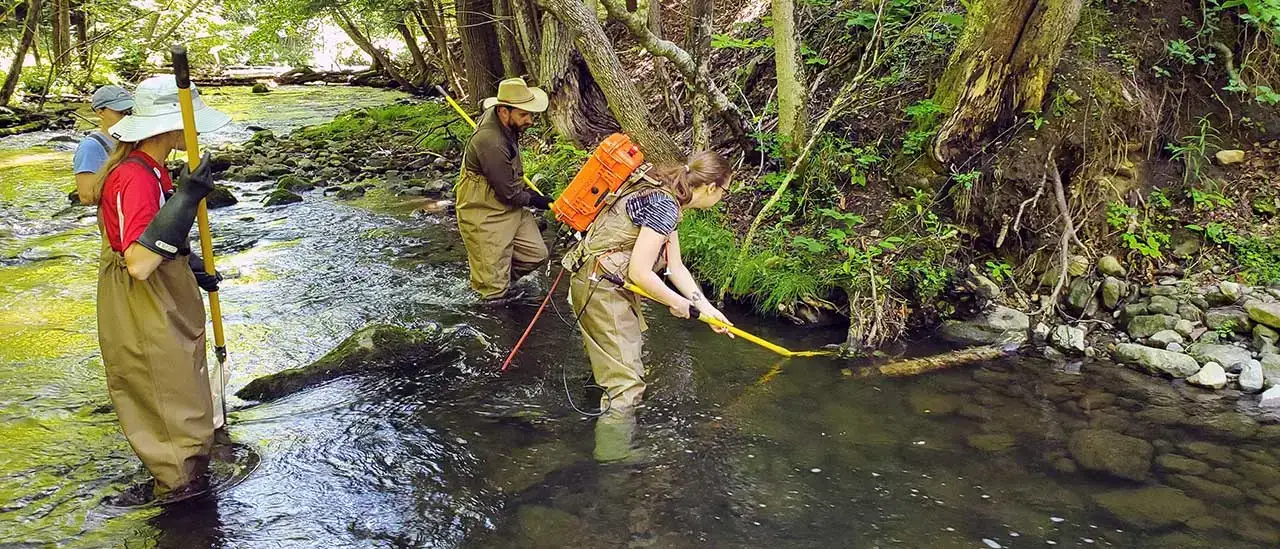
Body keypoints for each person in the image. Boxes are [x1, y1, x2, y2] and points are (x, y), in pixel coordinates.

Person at [93, 74, 230, 502]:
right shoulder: (134, 177)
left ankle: (185, 486)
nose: (197, 133)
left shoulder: (151, 171)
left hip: (161, 293)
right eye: (191, 125)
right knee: (169, 404)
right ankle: (181, 504)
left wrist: (190, 263)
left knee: (182, 395)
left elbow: (154, 236)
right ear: (171, 126)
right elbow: (138, 262)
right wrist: (187, 198)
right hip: (143, 300)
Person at [561, 150, 735, 462]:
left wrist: (707, 310)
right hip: (602, 290)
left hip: (592, 280)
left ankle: (589, 427)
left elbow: (675, 267)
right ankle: (613, 460)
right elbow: (640, 272)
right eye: (725, 191)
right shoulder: (665, 206)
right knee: (626, 385)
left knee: (610, 368)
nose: (723, 197)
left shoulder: (665, 193)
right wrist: (677, 303)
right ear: (711, 187)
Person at [455, 77, 554, 303]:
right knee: (494, 293)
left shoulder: (501, 117)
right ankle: (491, 297)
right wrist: (535, 199)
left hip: (509, 204)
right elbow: (508, 193)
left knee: (537, 254)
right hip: (483, 210)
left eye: (530, 114)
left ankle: (499, 275)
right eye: (524, 115)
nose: (530, 120)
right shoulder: (490, 142)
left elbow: (483, 104)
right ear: (503, 111)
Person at [74, 85, 134, 205]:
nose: (127, 117)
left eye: (129, 112)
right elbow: (86, 196)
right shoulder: (90, 147)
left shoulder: (134, 140)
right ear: (100, 113)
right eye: (121, 113)